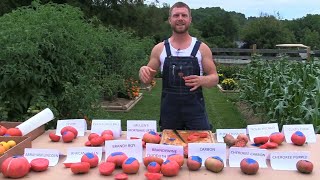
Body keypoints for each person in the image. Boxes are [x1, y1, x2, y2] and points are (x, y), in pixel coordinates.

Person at [139, 2, 218, 131]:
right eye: (176, 15)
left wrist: (202, 80)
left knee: (200, 147)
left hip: (196, 113)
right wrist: (143, 70)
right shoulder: (160, 49)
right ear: (170, 20)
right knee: (170, 149)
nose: (180, 18)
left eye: (184, 15)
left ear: (190, 20)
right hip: (169, 114)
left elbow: (214, 78)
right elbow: (147, 79)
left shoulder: (202, 48)